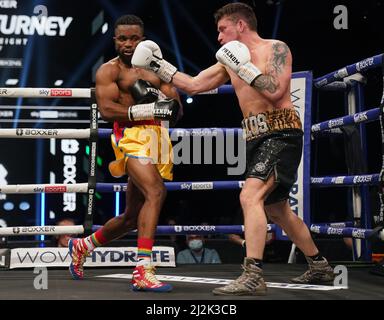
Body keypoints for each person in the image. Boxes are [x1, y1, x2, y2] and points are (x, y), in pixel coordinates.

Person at [132, 3, 334, 296]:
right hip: (255, 137)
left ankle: (253, 274)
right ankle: (320, 266)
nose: (218, 37)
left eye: (222, 29)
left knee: (249, 195)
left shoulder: (275, 48)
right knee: (277, 209)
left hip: (281, 131)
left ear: (240, 25)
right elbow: (194, 85)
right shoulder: (228, 60)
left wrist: (244, 67)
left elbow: (276, 91)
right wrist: (158, 65)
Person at [68, 15, 182, 293]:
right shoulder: (109, 72)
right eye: (123, 38)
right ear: (115, 40)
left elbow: (176, 109)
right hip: (130, 137)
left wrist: (165, 104)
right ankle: (143, 268)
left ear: (143, 39)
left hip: (158, 139)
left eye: (134, 38)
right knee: (156, 192)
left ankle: (83, 245)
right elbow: (106, 110)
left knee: (132, 216)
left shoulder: (158, 69)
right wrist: (148, 109)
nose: (129, 44)